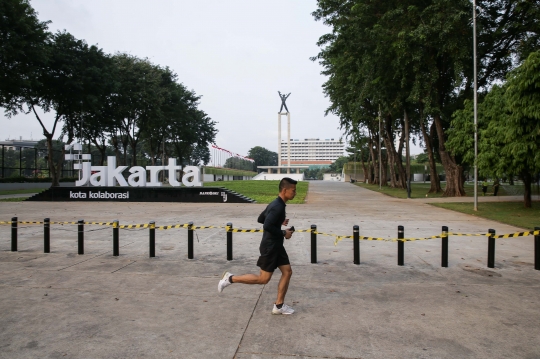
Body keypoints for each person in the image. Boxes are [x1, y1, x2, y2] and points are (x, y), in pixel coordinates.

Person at [218, 177, 297, 315]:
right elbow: (266, 225)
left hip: (277, 246)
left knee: (287, 272)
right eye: (293, 190)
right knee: (263, 279)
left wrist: (279, 220)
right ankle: (230, 278)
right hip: (270, 247)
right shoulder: (278, 207)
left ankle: (279, 306)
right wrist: (284, 232)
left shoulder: (275, 204)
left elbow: (261, 218)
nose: (295, 193)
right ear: (285, 190)